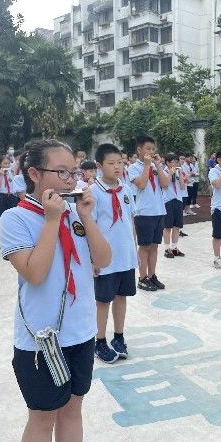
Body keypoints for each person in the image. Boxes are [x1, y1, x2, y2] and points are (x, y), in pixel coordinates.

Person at [0, 139, 110, 442]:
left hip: (81, 331)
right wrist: (51, 220)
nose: (71, 179)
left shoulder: (76, 212)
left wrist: (86, 217)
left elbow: (102, 259)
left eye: (73, 171)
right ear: (34, 173)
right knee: (43, 417)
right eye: (61, 172)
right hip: (41, 338)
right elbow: (34, 273)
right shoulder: (15, 218)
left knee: (74, 409)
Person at [90, 143, 138, 364]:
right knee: (103, 301)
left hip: (125, 256)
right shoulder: (92, 193)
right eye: (111, 163)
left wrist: (133, 249)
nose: (117, 167)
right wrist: (93, 259)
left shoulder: (126, 189)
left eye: (120, 162)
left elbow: (130, 221)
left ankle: (119, 337)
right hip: (105, 259)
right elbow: (89, 227)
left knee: (122, 297)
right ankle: (99, 341)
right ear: (100, 166)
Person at [127, 136, 170, 292]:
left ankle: (152, 276)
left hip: (159, 211)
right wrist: (147, 166)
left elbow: (165, 184)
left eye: (153, 149)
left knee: (154, 246)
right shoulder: (133, 168)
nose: (151, 152)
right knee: (144, 247)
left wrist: (157, 166)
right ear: (139, 150)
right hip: (144, 212)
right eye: (148, 149)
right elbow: (142, 184)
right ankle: (142, 277)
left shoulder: (155, 166)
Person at [162, 153, 186, 258]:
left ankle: (174, 247)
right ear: (167, 162)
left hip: (178, 199)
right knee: (167, 227)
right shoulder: (163, 171)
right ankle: (167, 249)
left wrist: (180, 174)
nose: (175, 164)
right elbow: (165, 185)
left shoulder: (178, 171)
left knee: (177, 226)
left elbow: (182, 186)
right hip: (168, 200)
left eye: (176, 162)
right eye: (172, 162)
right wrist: (170, 174)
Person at [0, 155, 19, 222]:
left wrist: (14, 174)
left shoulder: (12, 172)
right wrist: (1, 176)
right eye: (5, 163)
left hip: (12, 196)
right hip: (1, 196)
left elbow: (17, 186)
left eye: (8, 163)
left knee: (13, 218)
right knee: (1, 219)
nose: (7, 165)